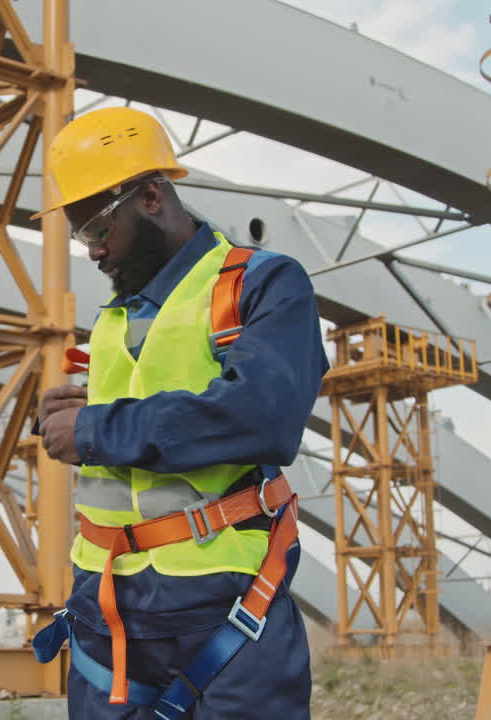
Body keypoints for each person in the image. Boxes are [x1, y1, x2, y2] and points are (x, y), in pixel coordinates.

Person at [31, 107, 327, 719]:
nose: (92, 252)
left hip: (225, 613)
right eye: (80, 235)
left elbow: (262, 416)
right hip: (107, 616)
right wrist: (88, 410)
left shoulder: (262, 285)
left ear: (148, 196)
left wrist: (94, 428)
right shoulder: (114, 321)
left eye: (95, 229)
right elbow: (155, 419)